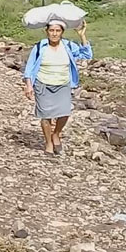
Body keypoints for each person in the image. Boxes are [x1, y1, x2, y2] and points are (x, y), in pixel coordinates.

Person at [23, 20, 92, 155]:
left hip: (63, 84)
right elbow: (29, 68)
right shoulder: (39, 47)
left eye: (57, 31)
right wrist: (28, 85)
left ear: (62, 32)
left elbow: (86, 55)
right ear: (46, 31)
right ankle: (48, 142)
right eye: (52, 30)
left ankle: (56, 134)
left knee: (65, 112)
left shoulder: (68, 46)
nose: (54, 34)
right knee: (45, 116)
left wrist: (82, 35)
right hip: (43, 84)